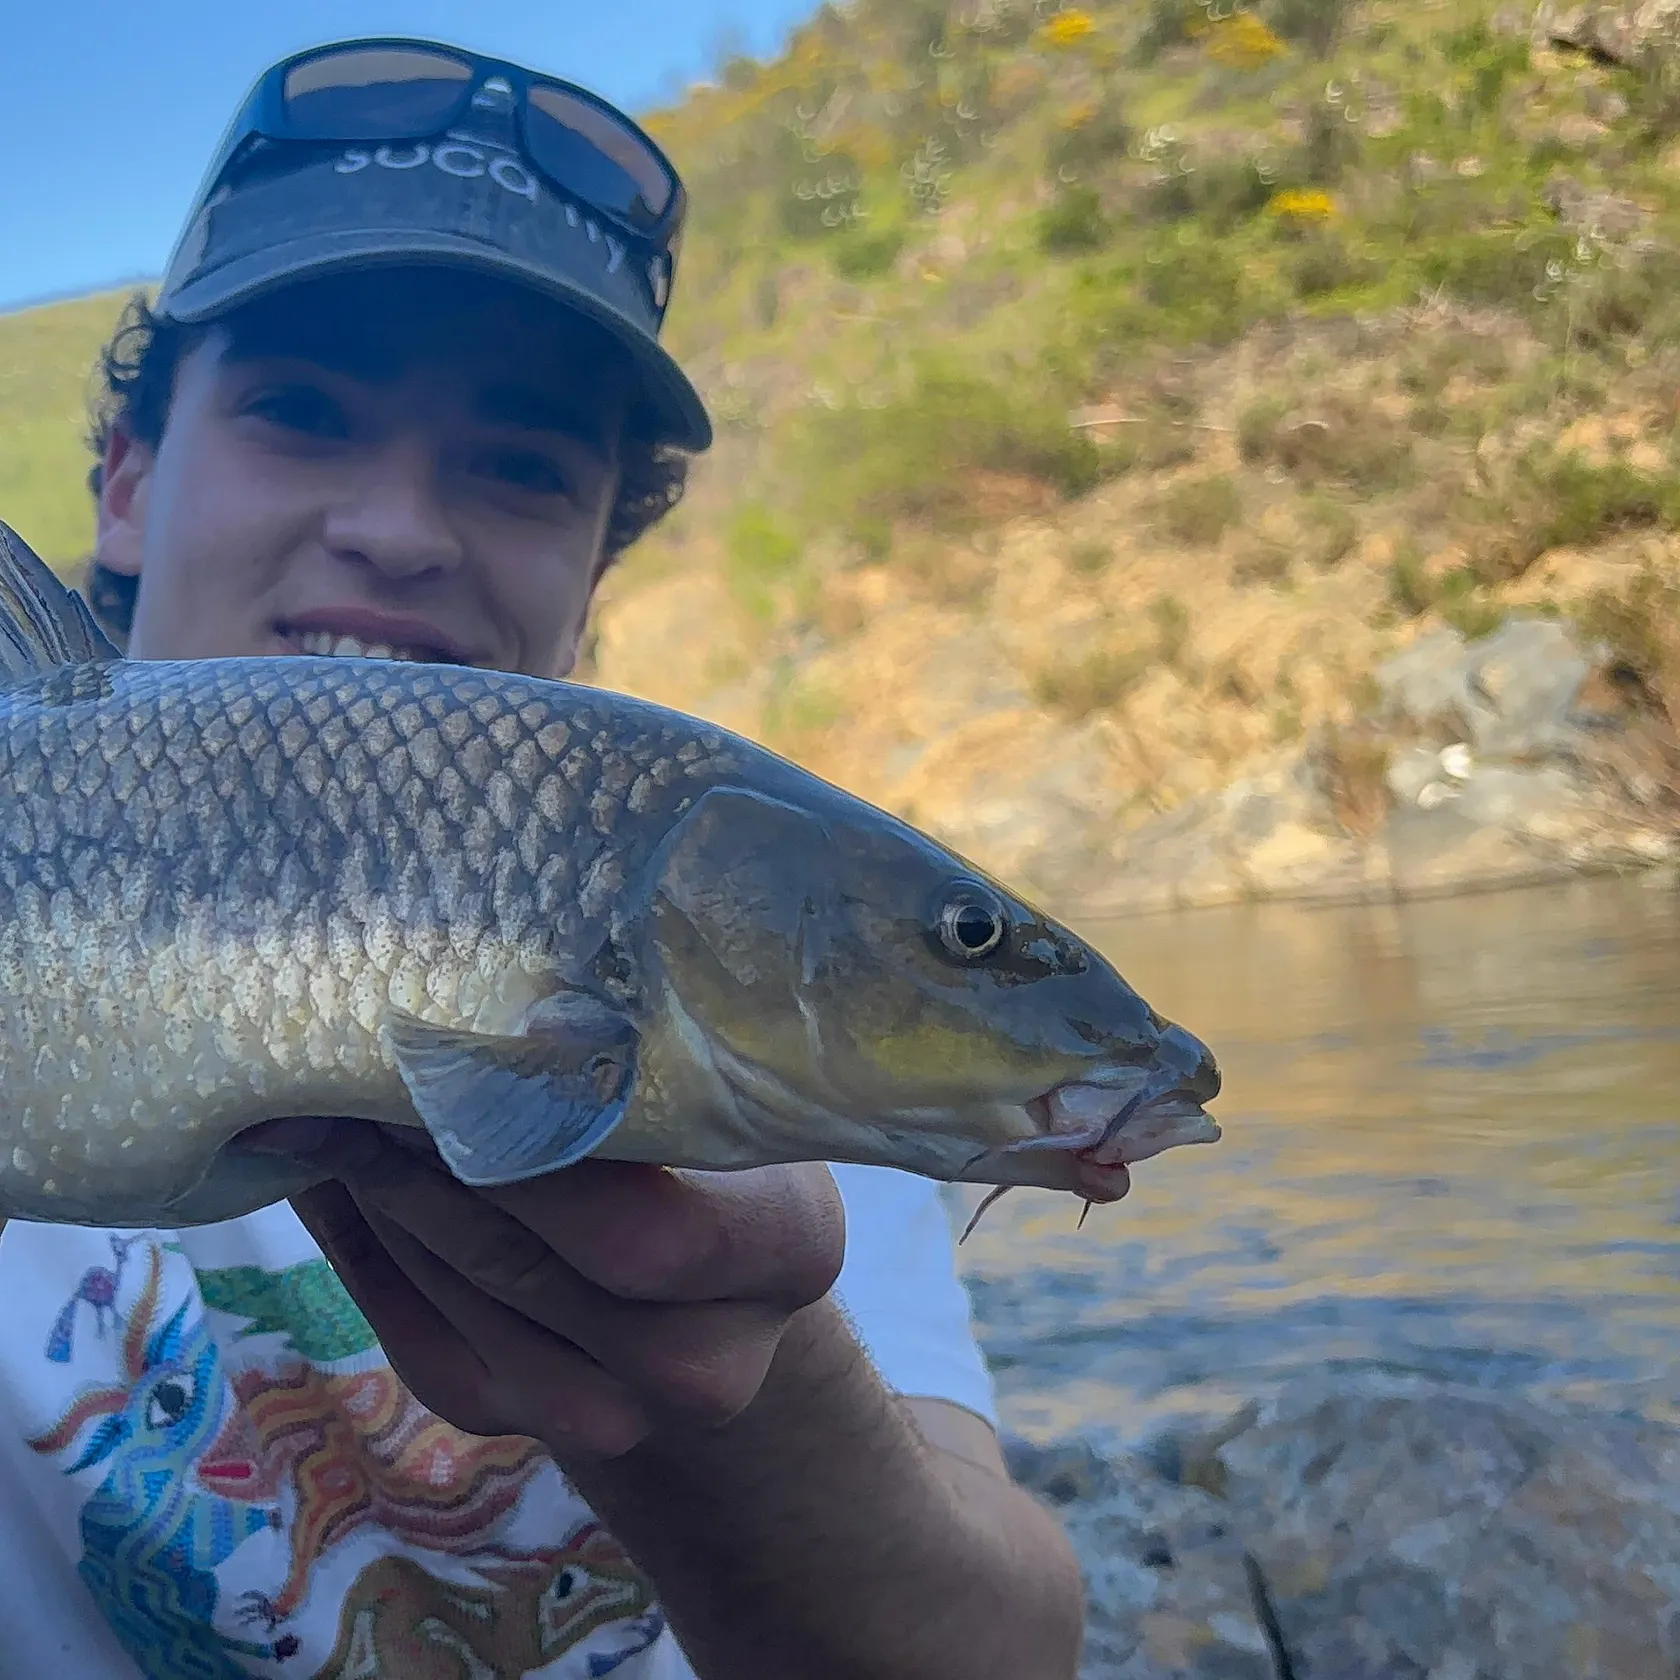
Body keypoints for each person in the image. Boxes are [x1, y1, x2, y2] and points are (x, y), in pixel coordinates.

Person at [0, 38, 1085, 1680]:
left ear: (594, 580)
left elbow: (998, 1658)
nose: (401, 527)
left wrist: (748, 1411)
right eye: (304, 414)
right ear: (129, 483)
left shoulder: (778, 1058)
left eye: (516, 466)